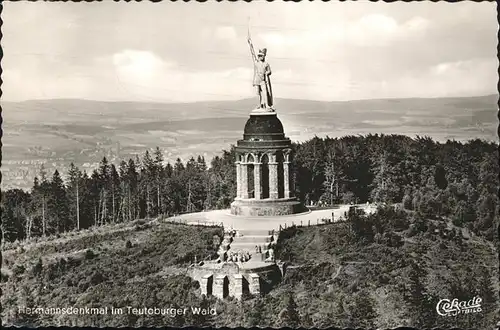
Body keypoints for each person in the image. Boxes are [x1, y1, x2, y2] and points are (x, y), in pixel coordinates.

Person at [248, 34, 274, 110]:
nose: (260, 57)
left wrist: (267, 73)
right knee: (258, 93)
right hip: (257, 80)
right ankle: (260, 105)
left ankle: (267, 105)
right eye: (259, 56)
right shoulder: (256, 63)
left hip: (263, 80)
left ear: (264, 56)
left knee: (265, 92)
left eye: (261, 56)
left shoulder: (266, 64)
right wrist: (250, 43)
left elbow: (269, 71)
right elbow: (252, 53)